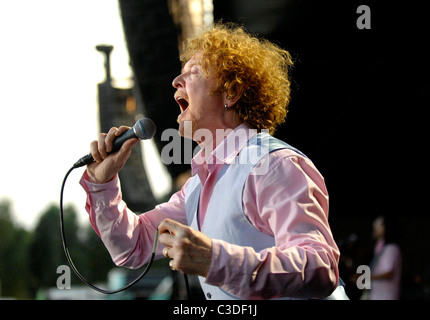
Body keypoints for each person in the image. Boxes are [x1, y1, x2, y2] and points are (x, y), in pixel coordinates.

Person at [80, 23, 347, 300]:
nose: (176, 82)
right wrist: (102, 184)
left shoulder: (275, 165)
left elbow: (320, 266)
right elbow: (133, 246)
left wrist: (214, 260)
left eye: (194, 72)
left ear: (231, 92)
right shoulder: (197, 186)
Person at [368, 215, 402, 300]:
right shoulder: (380, 247)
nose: (375, 227)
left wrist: (366, 277)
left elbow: (388, 272)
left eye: (379, 225)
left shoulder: (391, 248)